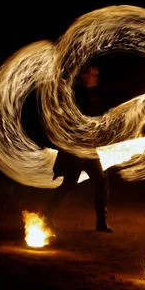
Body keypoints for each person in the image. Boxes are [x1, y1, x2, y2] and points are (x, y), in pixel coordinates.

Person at [43, 63, 113, 233]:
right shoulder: (75, 96)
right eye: (93, 74)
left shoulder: (96, 95)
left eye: (97, 74)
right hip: (75, 149)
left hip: (89, 149)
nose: (97, 78)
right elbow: (69, 119)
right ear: (84, 77)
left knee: (101, 180)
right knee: (69, 183)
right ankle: (47, 216)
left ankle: (101, 222)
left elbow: (99, 118)